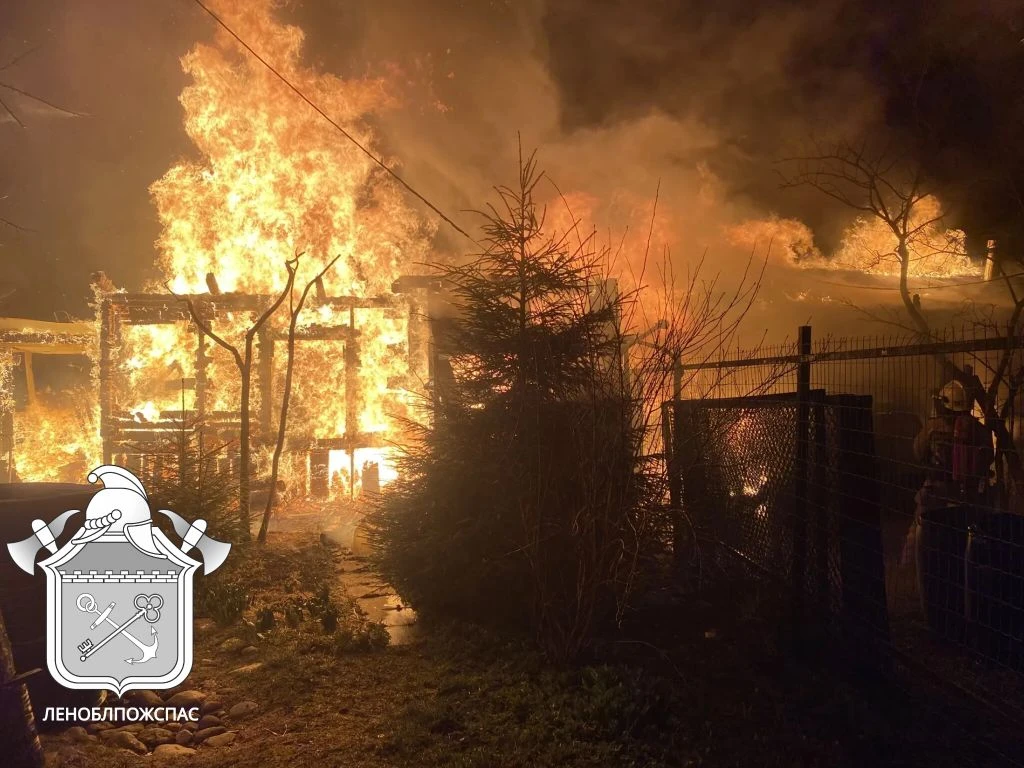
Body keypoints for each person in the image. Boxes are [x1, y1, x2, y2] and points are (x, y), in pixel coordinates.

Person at [902, 380, 992, 567]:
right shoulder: (980, 430)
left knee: (919, 531)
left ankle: (910, 570)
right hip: (968, 493)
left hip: (935, 490)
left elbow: (918, 452)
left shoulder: (933, 427)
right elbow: (988, 458)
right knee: (965, 538)